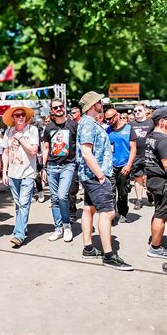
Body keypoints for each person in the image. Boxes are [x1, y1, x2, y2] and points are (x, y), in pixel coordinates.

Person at [76, 92, 133, 271]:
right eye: (99, 101)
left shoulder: (90, 123)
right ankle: (109, 255)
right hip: (95, 176)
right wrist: (101, 176)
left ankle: (88, 248)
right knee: (107, 213)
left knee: (89, 209)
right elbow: (86, 152)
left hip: (92, 175)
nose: (102, 103)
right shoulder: (87, 123)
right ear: (93, 105)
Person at [2, 106, 39, 247]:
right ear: (12, 118)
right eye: (17, 115)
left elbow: (33, 151)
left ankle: (19, 234)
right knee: (18, 205)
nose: (20, 117)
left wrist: (21, 138)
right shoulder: (8, 131)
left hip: (28, 173)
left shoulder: (32, 130)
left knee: (24, 204)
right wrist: (4, 172)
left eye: (22, 115)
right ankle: (22, 227)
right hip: (12, 174)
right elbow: (5, 152)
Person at [41, 99, 77, 242]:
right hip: (52, 166)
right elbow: (45, 148)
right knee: (55, 198)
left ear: (64, 107)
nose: (59, 109)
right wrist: (43, 167)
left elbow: (80, 145)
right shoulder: (49, 127)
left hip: (68, 165)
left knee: (62, 196)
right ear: (52, 111)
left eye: (61, 106)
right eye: (55, 108)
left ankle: (67, 225)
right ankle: (58, 228)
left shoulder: (73, 125)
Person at [104, 109, 137, 224]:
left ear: (117, 116)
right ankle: (112, 215)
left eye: (110, 118)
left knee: (123, 193)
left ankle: (123, 213)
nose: (108, 121)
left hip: (124, 165)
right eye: (106, 119)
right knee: (110, 191)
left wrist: (129, 165)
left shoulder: (128, 129)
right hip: (110, 165)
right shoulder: (106, 131)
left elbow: (133, 148)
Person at [144, 108, 167, 259]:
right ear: (162, 121)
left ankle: (155, 241)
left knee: (159, 211)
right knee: (161, 214)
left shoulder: (151, 136)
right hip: (162, 182)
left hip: (154, 180)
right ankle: (155, 248)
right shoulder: (163, 140)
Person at [131, 104, 155, 210]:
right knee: (138, 177)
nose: (137, 112)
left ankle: (150, 192)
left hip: (150, 155)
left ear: (145, 111)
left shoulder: (151, 123)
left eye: (139, 110)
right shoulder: (130, 124)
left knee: (150, 178)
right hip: (136, 155)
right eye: (135, 111)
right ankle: (139, 200)